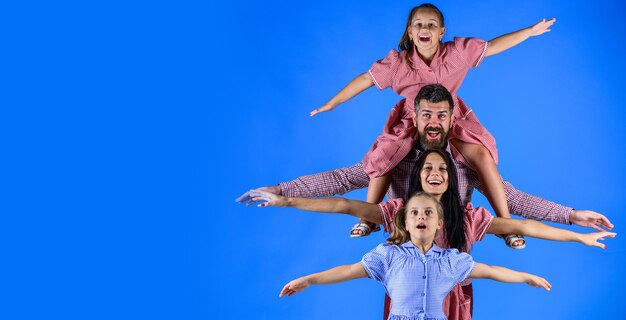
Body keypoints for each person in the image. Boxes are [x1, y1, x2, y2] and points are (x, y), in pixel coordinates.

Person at [242, 149, 616, 319]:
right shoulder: (397, 212)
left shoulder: (466, 219)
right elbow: (341, 198)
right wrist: (284, 196)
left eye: (442, 169)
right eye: (426, 169)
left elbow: (520, 220)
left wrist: (574, 225)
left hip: (454, 300)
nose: (434, 173)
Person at [307, 4, 556, 246]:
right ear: (410, 31)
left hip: (450, 118)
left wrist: (529, 32)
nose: (424, 29)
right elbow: (365, 79)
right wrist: (332, 103)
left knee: (481, 154)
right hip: (412, 119)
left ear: (441, 32)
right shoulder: (398, 63)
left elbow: (491, 46)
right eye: (419, 25)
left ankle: (507, 225)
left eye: (431, 24)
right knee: (386, 154)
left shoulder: (456, 53)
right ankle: (368, 218)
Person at [237, 84, 614, 239]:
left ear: (452, 120)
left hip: (453, 260)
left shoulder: (465, 161)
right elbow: (341, 180)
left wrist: (571, 214)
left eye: (441, 116)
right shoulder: (395, 156)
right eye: (427, 115)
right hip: (405, 256)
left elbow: (512, 199)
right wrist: (280, 190)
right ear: (415, 118)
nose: (434, 122)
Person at [278, 192, 552, 320]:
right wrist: (310, 280)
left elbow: (491, 270)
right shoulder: (388, 256)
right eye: (414, 213)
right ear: (405, 223)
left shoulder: (450, 261)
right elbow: (349, 270)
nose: (421, 216)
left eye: (428, 213)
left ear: (439, 224)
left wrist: (525, 277)